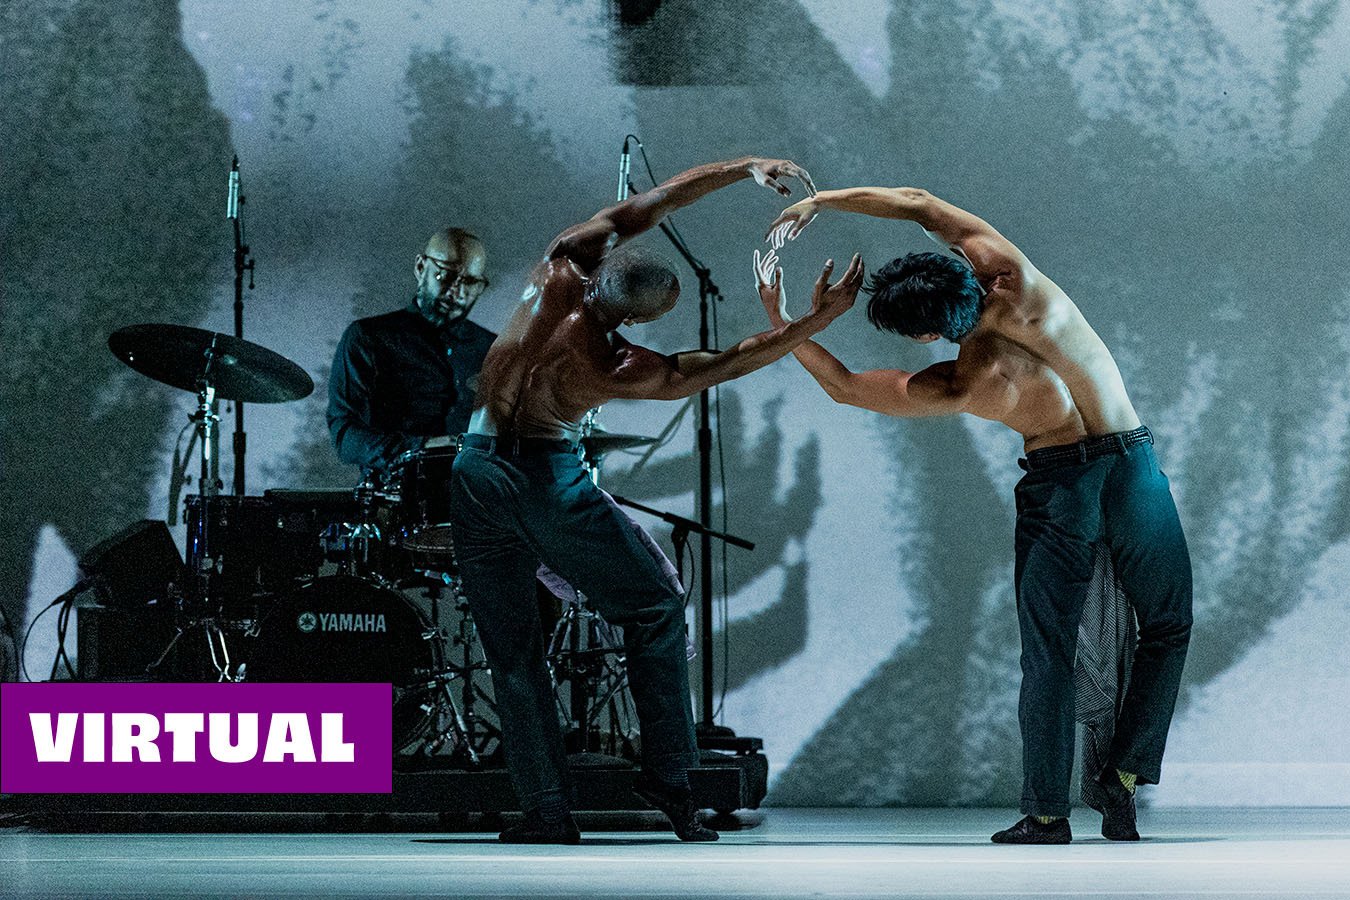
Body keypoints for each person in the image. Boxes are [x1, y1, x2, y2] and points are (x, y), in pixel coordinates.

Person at [760, 186, 1192, 844]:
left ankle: (1048, 814)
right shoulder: (1014, 279)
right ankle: (1124, 774)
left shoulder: (966, 380)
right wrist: (819, 200)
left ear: (927, 334)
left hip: (1061, 487)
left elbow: (846, 387)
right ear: (963, 268)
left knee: (1049, 655)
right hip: (1130, 468)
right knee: (1166, 624)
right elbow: (917, 202)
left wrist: (788, 319)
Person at [453, 156, 859, 844]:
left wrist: (743, 168)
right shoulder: (616, 365)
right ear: (639, 322)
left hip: (474, 472)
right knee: (656, 608)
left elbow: (658, 201)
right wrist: (816, 321)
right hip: (547, 480)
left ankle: (546, 812)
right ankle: (669, 776)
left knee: (514, 655)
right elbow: (731, 360)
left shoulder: (562, 263)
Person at [327, 227, 496, 477]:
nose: (457, 293)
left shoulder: (492, 349)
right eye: (445, 275)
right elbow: (345, 435)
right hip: (397, 496)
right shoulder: (368, 337)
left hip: (472, 496)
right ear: (420, 268)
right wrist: (420, 449)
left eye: (470, 282)